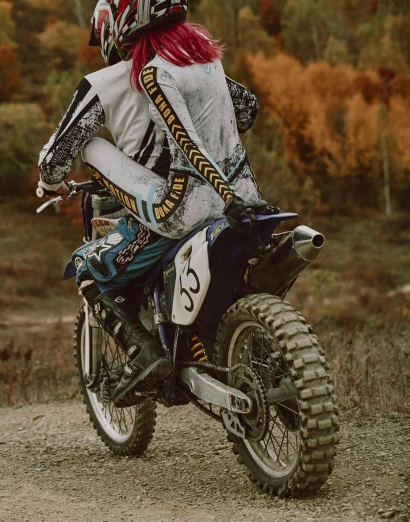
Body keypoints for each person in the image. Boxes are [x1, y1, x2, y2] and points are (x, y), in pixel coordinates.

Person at [37, 0, 277, 405]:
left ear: (114, 29)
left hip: (172, 212)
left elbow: (55, 158)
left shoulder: (105, 83)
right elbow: (248, 109)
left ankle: (143, 352)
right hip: (233, 199)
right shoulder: (194, 63)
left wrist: (52, 184)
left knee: (87, 267)